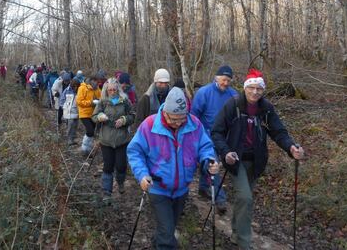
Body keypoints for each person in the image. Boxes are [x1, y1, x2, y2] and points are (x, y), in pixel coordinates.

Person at [212, 68, 305, 250]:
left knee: (243, 199)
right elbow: (217, 132)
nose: (255, 92)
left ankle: (236, 233)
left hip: (256, 162)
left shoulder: (266, 109)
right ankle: (245, 243)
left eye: (259, 89)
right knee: (246, 198)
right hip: (235, 160)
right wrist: (225, 152)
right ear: (245, 88)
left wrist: (291, 147)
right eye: (252, 88)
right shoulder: (233, 105)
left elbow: (278, 132)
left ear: (263, 90)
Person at [127, 87, 219, 250]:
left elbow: (205, 146)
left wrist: (208, 161)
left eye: (181, 119)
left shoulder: (194, 124)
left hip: (181, 189)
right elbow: (135, 151)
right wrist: (142, 175)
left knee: (168, 227)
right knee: (168, 233)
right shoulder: (149, 125)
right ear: (165, 112)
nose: (178, 123)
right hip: (157, 188)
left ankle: (158, 242)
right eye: (173, 119)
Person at [190, 65, 238, 214]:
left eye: (228, 80)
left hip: (224, 138)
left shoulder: (234, 95)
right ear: (216, 78)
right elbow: (194, 116)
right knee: (213, 164)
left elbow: (237, 117)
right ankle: (220, 199)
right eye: (223, 79)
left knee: (211, 165)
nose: (225, 83)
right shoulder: (203, 93)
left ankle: (204, 188)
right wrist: (196, 136)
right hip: (206, 137)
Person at [92, 78, 134, 199]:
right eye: (109, 90)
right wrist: (100, 116)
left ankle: (120, 182)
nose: (112, 92)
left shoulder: (125, 101)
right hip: (106, 140)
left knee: (121, 165)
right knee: (108, 166)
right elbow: (94, 116)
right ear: (106, 90)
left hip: (122, 140)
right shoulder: (103, 102)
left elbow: (132, 115)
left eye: (114, 89)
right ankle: (107, 191)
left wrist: (124, 120)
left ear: (118, 89)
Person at [77, 75, 101, 155]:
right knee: (90, 131)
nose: (98, 84)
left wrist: (99, 101)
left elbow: (101, 98)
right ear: (92, 81)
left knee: (92, 132)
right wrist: (91, 102)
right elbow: (79, 102)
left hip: (93, 114)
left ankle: (88, 149)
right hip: (84, 114)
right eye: (97, 82)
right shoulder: (82, 88)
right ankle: (84, 149)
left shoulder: (97, 89)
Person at [61, 78, 81, 145]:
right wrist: (65, 107)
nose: (76, 88)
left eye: (77, 86)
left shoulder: (79, 91)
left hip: (76, 111)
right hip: (69, 112)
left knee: (75, 126)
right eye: (74, 86)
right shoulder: (67, 90)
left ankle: (73, 139)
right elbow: (62, 100)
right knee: (70, 125)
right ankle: (69, 139)